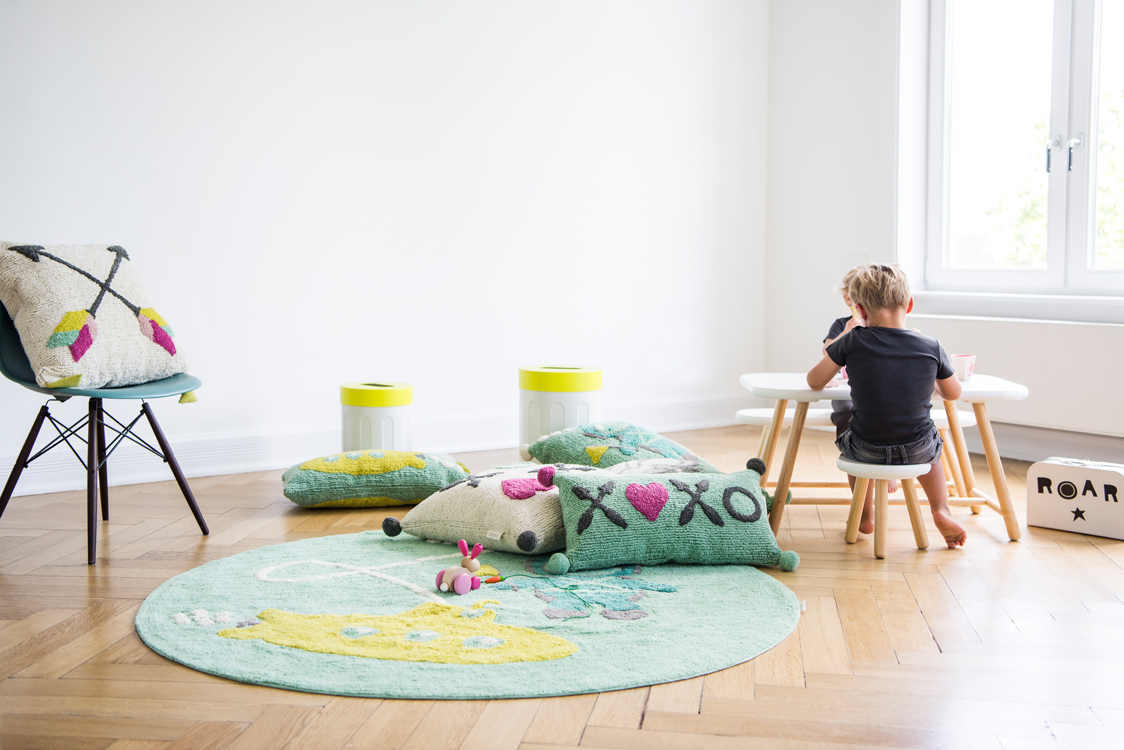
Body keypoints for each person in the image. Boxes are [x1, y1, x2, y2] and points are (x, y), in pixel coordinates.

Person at [807, 264, 966, 548]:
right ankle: (940, 510)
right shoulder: (930, 345)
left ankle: (865, 515)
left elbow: (815, 381)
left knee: (849, 438)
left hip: (867, 449)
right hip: (917, 450)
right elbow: (953, 393)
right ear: (910, 304)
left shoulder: (852, 341)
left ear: (861, 311)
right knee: (934, 442)